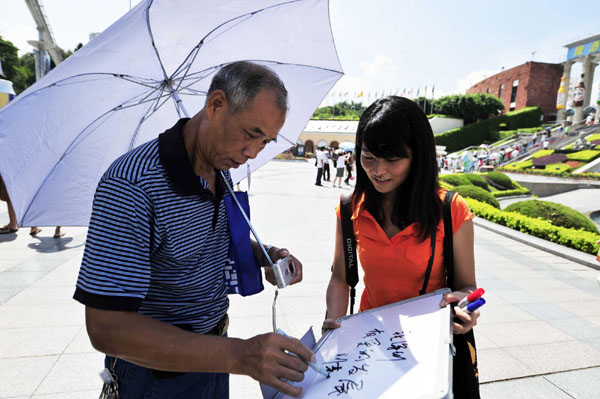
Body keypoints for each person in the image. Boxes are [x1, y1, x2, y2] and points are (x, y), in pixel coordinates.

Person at [73, 61, 313, 399]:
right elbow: (106, 328)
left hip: (213, 356)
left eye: (265, 142)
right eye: (250, 134)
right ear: (216, 105)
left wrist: (266, 255)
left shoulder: (221, 169)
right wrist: (241, 356)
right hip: (154, 373)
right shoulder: (132, 185)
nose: (251, 153)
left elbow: (214, 239)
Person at [322, 96, 479, 393]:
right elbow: (341, 278)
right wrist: (334, 322)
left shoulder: (451, 209)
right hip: (369, 341)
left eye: (392, 159)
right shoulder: (349, 208)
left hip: (427, 344)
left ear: (417, 156)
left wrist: (468, 307)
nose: (378, 170)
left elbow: (468, 287)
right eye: (368, 157)